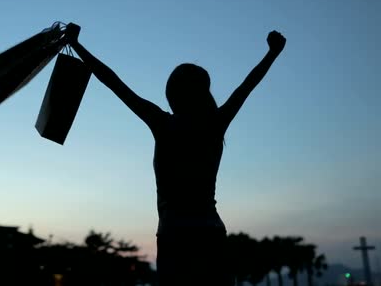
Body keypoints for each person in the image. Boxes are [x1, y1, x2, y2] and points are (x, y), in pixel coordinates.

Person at [65, 24, 286, 285]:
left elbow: (113, 82)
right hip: (211, 233)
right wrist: (272, 53)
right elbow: (247, 86)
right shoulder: (215, 123)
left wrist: (77, 46)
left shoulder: (162, 123)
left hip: (174, 235)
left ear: (172, 94)